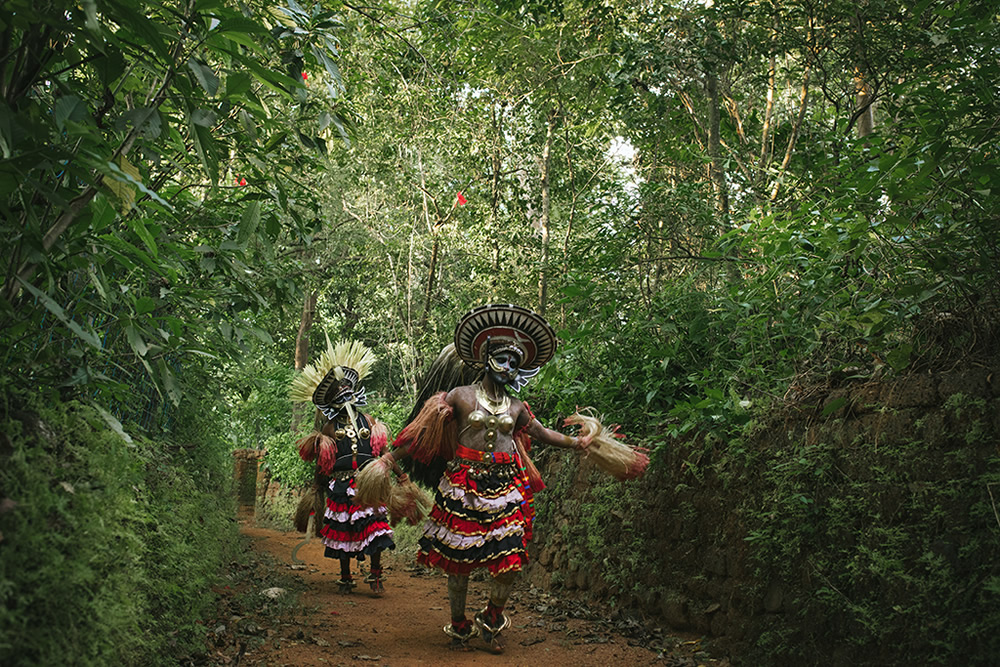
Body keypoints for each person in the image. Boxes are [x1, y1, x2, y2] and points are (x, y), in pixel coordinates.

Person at [373, 304, 596, 652]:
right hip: (463, 486)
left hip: (507, 486)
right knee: (459, 559)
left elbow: (542, 433)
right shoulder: (459, 396)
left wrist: (577, 442)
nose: (508, 367)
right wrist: (389, 457)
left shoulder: (518, 407)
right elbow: (423, 433)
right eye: (503, 359)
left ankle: (492, 620)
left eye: (514, 363)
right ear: (486, 358)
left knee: (509, 558)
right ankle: (459, 624)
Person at [289, 338, 401, 595]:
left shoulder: (369, 420)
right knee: (343, 531)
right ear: (333, 400)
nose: (346, 395)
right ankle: (345, 576)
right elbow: (324, 463)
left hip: (367, 483)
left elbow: (383, 452)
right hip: (340, 485)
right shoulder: (329, 428)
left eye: (348, 390)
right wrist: (316, 489)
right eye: (341, 393)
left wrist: (400, 475)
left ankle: (375, 574)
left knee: (374, 527)